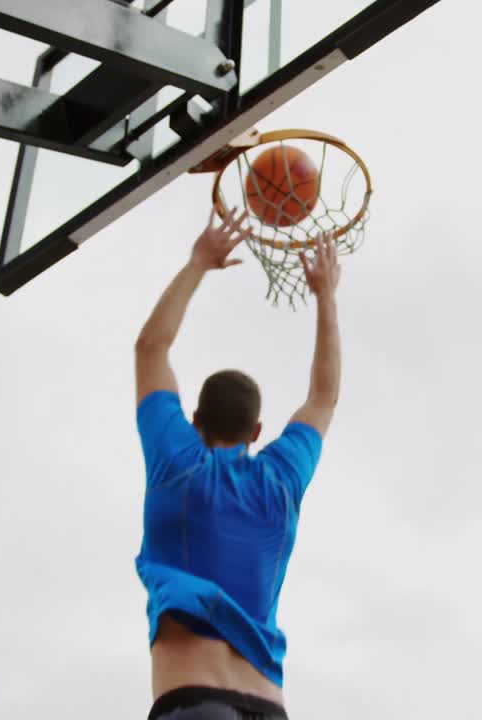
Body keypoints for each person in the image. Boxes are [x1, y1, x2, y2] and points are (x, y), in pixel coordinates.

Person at [133, 209, 342, 720]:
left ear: (194, 419)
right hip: (269, 708)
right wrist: (325, 297)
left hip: (197, 702)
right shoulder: (281, 480)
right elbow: (324, 395)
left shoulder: (177, 464)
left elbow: (150, 347)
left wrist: (198, 262)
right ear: (256, 432)